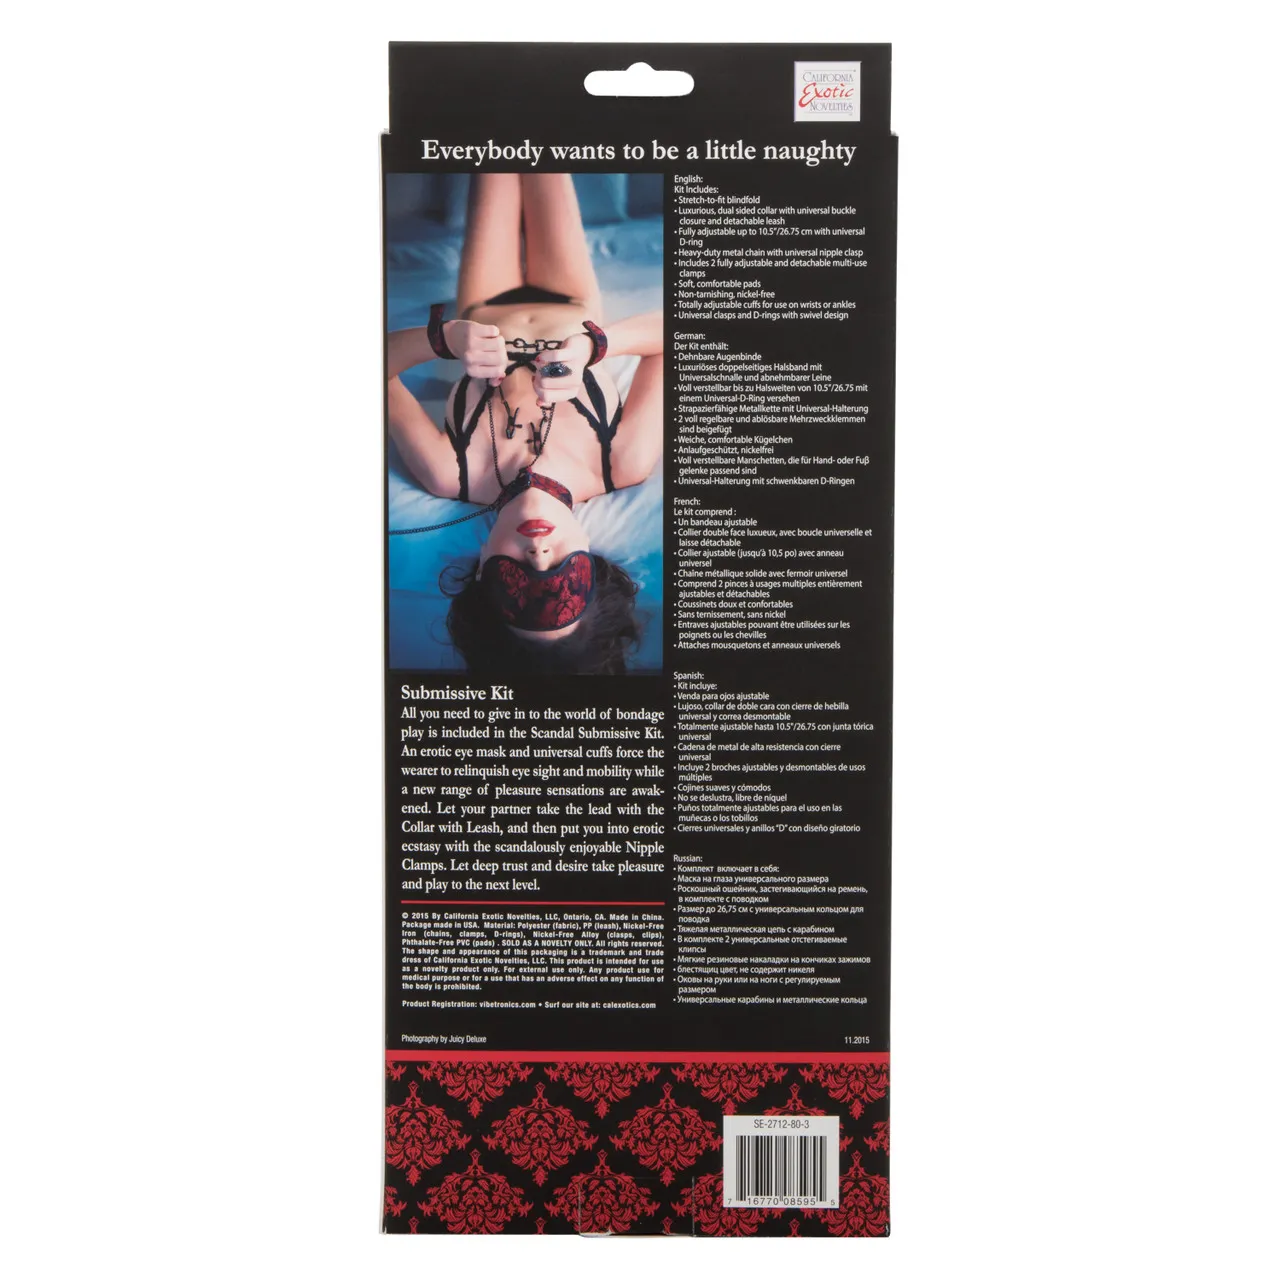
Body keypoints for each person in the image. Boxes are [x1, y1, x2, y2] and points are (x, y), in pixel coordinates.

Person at [387, 173, 663, 674]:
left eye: (514, 582)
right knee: (544, 159)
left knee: (496, 159)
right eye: (563, 576)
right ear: (592, 563)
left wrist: (443, 340)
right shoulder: (622, 463)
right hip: (574, 303)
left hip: (483, 304)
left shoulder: (449, 473)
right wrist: (595, 347)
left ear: (480, 573)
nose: (538, 553)